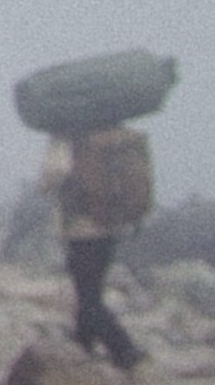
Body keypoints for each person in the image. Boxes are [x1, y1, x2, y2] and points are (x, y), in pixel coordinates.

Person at [45, 125, 148, 367]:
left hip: (80, 229)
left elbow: (51, 176)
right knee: (91, 290)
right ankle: (83, 346)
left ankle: (123, 349)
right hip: (110, 226)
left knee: (88, 297)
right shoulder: (113, 132)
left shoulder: (67, 137)